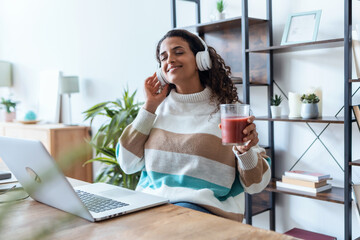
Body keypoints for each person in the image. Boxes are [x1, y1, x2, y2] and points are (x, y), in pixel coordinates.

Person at [116, 29, 271, 222]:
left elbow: (256, 185)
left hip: (202, 211)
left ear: (201, 60)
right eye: (163, 57)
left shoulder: (230, 112)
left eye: (178, 52)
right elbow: (127, 163)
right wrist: (149, 107)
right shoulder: (155, 110)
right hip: (151, 208)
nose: (170, 60)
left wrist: (245, 151)